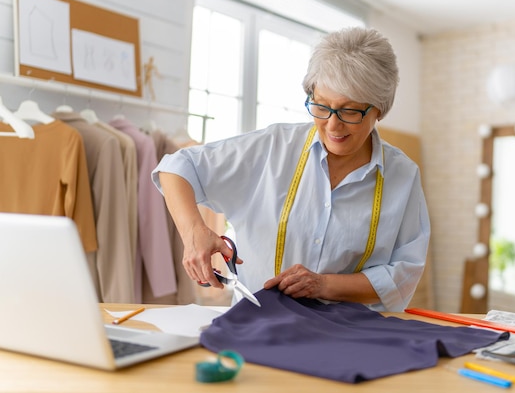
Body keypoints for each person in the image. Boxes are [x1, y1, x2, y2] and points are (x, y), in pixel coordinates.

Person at [151, 26, 430, 312]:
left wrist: (323, 285)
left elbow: (402, 276)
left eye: (349, 111)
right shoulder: (272, 147)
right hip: (259, 325)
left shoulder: (402, 177)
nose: (333, 125)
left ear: (379, 109)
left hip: (353, 334)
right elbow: (176, 167)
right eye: (321, 106)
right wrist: (194, 231)